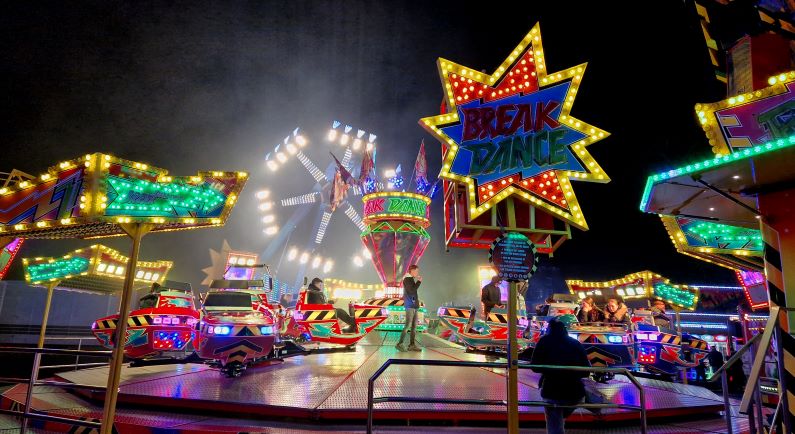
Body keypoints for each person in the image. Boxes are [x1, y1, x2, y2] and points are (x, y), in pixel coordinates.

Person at [531, 318, 592, 434]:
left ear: (549, 329)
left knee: (554, 421)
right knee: (567, 406)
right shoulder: (575, 343)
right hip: (575, 392)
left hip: (551, 390)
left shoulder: (544, 342)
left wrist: (549, 370)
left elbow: (534, 366)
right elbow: (586, 370)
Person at [396, 265, 422, 352]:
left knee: (414, 326)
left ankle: (412, 345)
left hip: (414, 305)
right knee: (407, 325)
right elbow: (412, 290)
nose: (417, 273)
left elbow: (413, 291)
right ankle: (399, 344)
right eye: (416, 271)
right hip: (410, 306)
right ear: (412, 271)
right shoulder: (407, 279)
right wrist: (419, 282)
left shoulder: (410, 279)